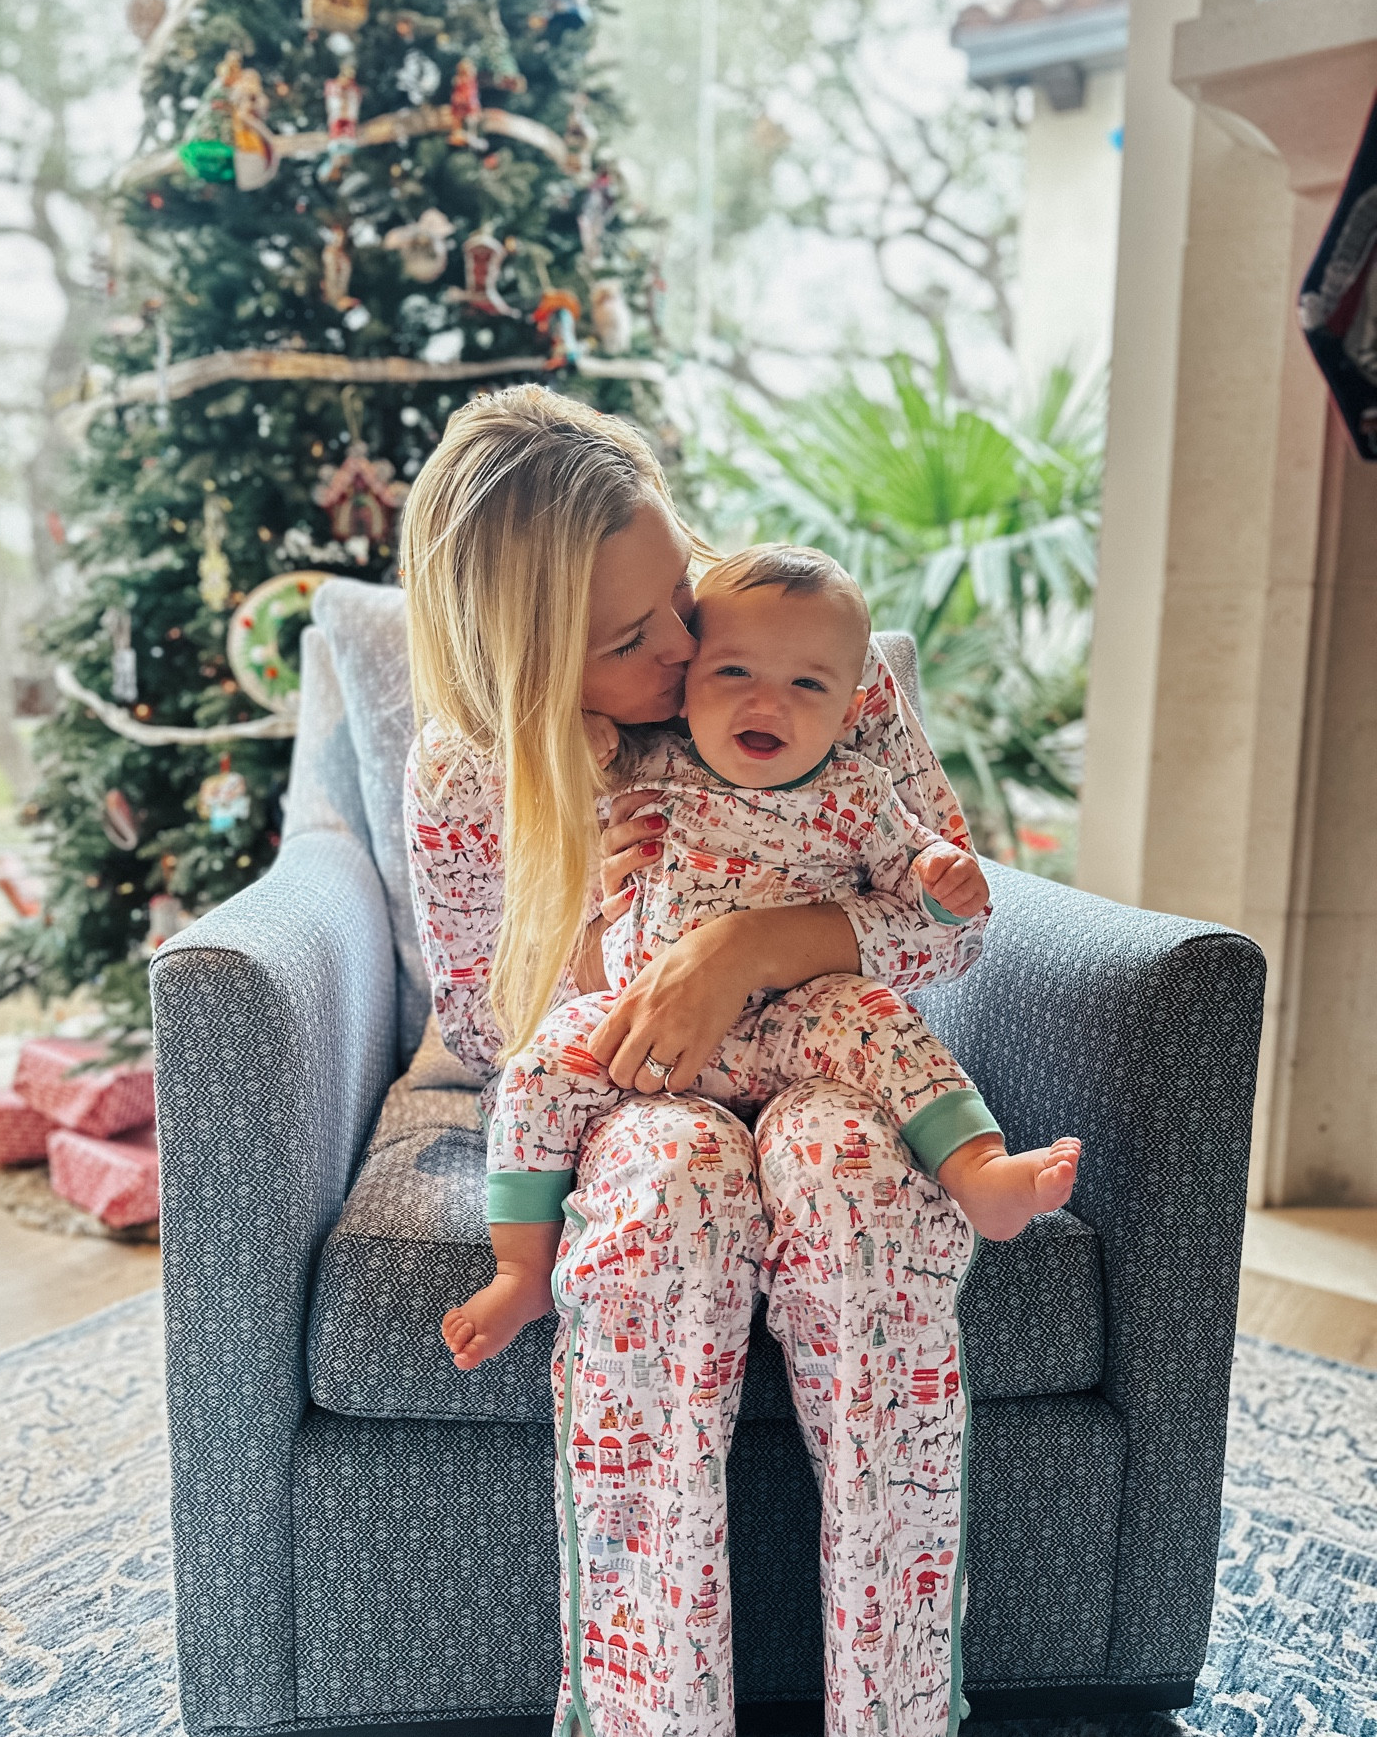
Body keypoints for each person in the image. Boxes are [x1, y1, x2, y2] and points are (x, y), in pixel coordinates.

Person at [403, 383, 991, 1737]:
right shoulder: (471, 774)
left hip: (835, 1063)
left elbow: (953, 932)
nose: (680, 656)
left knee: (856, 1190)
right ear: (529, 661)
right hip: (630, 1105)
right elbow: (489, 1028)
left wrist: (755, 946)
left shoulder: (799, 660)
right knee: (664, 1209)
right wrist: (644, 998)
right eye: (628, 641)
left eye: (674, 598)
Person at [442, 542, 1079, 1370]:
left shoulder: (857, 789)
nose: (766, 703)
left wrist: (936, 883)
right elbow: (491, 1007)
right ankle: (521, 1269)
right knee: (536, 1070)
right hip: (656, 1046)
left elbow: (925, 889)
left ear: (849, 711)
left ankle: (979, 1169)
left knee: (879, 1021)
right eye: (731, 675)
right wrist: (577, 765)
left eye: (807, 688)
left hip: (802, 1028)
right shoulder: (645, 763)